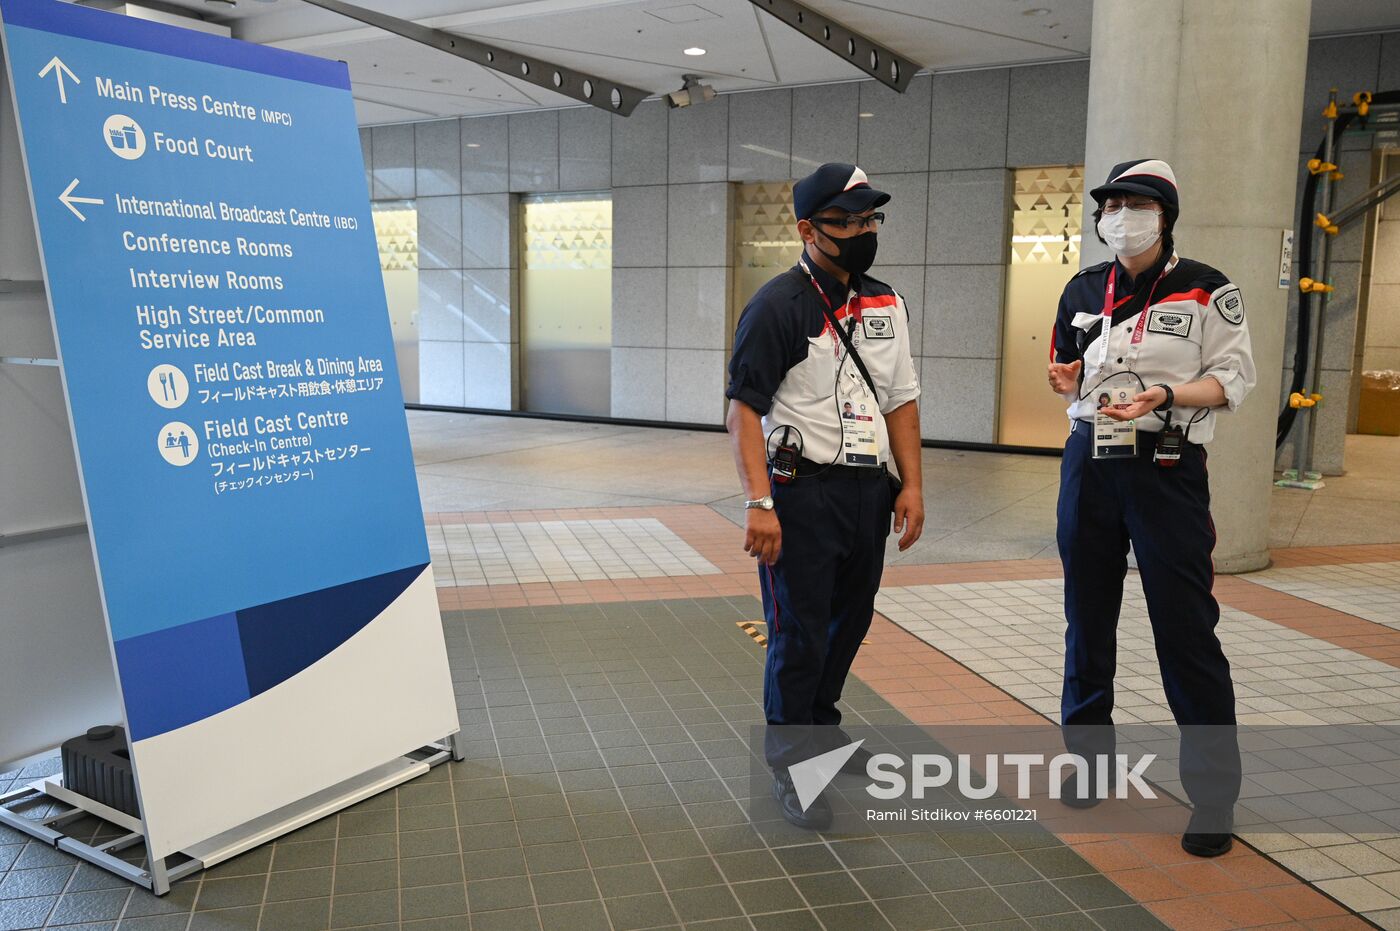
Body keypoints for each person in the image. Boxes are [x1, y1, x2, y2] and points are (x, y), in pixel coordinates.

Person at [1046, 159, 1256, 858]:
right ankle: (1089, 758)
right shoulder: (1082, 286)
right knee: (1086, 614)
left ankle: (1213, 792)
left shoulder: (1206, 286)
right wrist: (1065, 377)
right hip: (1089, 459)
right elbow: (1066, 367)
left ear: (1164, 216)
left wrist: (1166, 396)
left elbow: (1234, 378)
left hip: (1166, 465)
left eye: (1136, 204)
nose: (1120, 215)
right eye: (1111, 204)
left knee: (1186, 626)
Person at [725, 163, 924, 830]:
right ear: (809, 229)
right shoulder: (777, 305)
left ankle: (821, 729)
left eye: (871, 219)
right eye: (849, 220)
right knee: (799, 635)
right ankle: (794, 762)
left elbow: (900, 399)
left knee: (852, 620)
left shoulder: (886, 303)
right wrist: (760, 502)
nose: (865, 231)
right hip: (801, 493)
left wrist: (913, 484)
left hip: (869, 491)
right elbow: (743, 412)